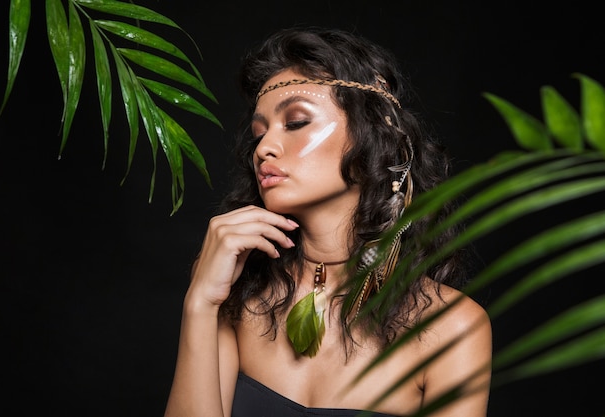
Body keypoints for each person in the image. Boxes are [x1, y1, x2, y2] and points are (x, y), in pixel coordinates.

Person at [163, 26, 492, 417]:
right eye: (259, 132)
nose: (264, 148)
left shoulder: (449, 327)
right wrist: (200, 302)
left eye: (297, 122)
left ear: (374, 135)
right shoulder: (238, 301)